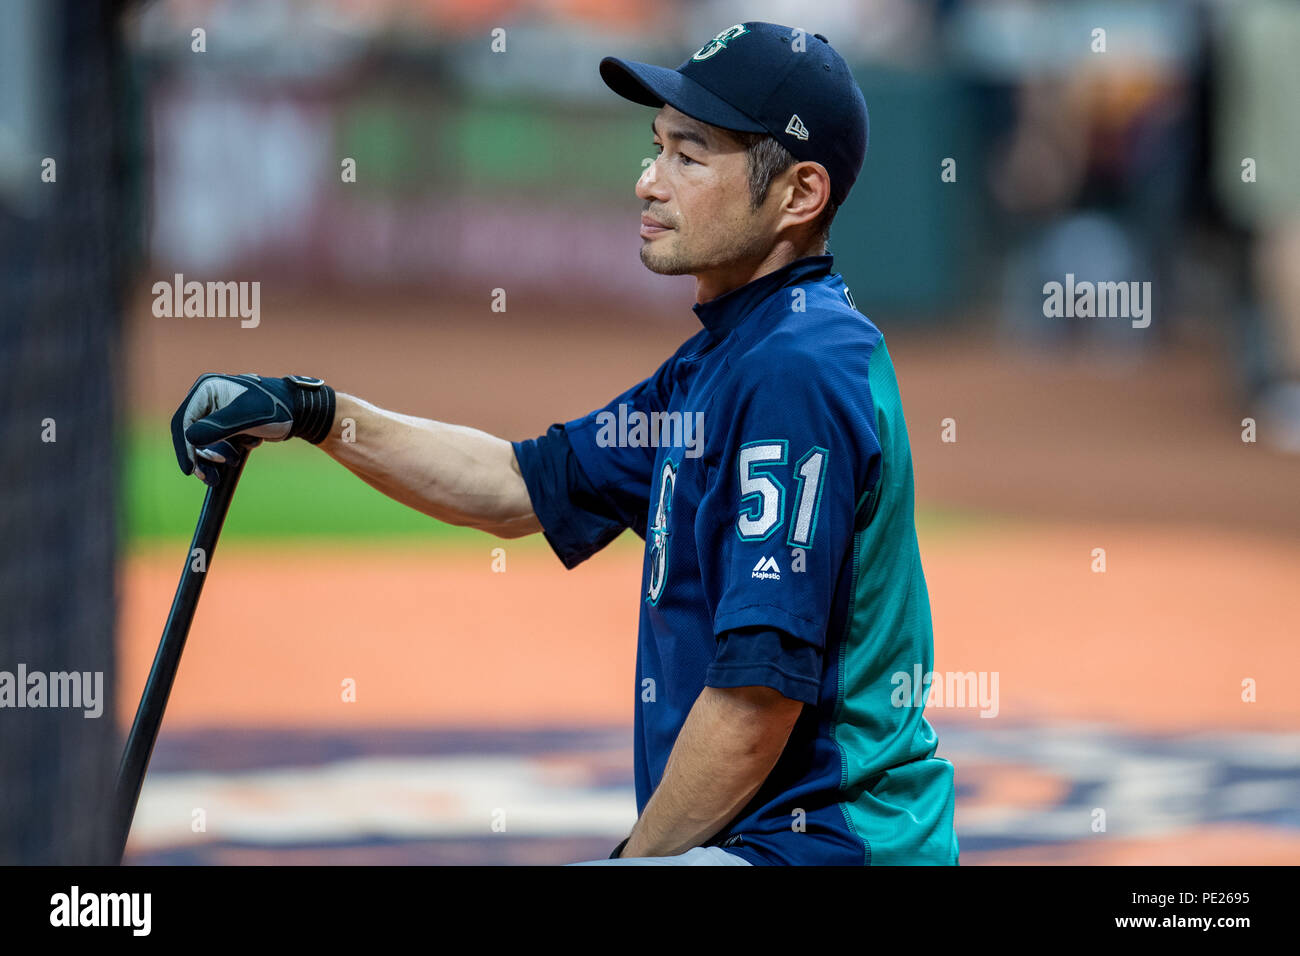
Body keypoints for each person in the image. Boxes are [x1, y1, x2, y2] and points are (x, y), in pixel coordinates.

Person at [170, 22, 958, 866]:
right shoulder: (724, 361)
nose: (647, 182)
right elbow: (517, 484)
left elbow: (754, 703)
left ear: (800, 195)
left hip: (831, 848)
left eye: (690, 158)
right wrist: (316, 412)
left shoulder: (796, 371)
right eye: (655, 148)